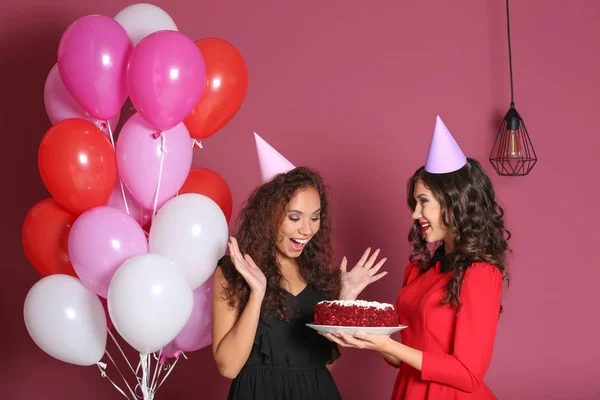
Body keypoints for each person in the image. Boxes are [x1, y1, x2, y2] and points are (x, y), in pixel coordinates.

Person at [324, 116, 511, 400]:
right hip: (408, 391)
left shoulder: (480, 272)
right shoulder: (418, 271)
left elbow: (468, 374)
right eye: (415, 203)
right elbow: (407, 354)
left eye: (423, 201)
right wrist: (350, 299)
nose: (415, 214)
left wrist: (387, 345)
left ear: (454, 201)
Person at [212, 166, 388, 400]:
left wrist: (344, 300)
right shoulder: (234, 272)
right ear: (268, 216)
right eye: (295, 217)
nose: (307, 229)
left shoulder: (318, 278)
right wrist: (257, 293)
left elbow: (322, 365)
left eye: (315, 217)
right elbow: (229, 367)